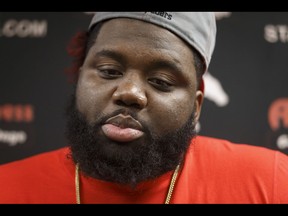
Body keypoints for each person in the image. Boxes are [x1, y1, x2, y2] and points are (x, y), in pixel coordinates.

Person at [0, 12, 288, 204]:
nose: (130, 93)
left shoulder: (271, 184)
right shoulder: (8, 189)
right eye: (110, 71)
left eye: (161, 81)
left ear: (196, 106)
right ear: (79, 78)